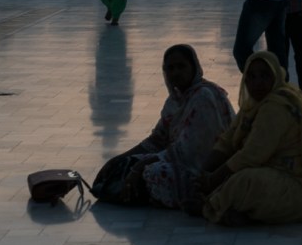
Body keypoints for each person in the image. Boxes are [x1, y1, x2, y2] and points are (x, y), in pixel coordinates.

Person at [193, 51, 302, 225]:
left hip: (296, 187)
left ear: (276, 76)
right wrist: (203, 174)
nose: (258, 82)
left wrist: (211, 180)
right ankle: (233, 210)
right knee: (229, 172)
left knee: (244, 181)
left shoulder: (276, 106)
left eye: (265, 76)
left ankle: (212, 207)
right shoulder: (253, 105)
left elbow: (252, 155)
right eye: (252, 76)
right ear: (246, 80)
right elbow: (227, 141)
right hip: (272, 173)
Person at [93, 45, 234, 208]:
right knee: (123, 165)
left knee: (153, 173)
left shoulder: (204, 97)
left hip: (206, 169)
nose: (175, 73)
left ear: (194, 67)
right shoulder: (175, 99)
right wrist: (119, 159)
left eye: (181, 67)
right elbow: (157, 140)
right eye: (170, 68)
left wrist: (139, 167)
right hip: (179, 160)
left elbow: (187, 152)